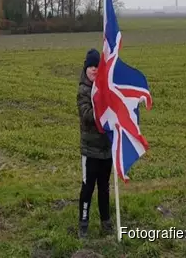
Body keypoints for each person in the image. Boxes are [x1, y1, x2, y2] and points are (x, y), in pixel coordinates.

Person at [76, 48, 113, 238]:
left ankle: (106, 222)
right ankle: (83, 223)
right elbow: (86, 114)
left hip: (106, 148)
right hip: (90, 150)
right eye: (91, 66)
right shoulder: (83, 90)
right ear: (86, 68)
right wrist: (104, 113)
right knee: (88, 187)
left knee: (104, 187)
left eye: (97, 66)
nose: (94, 69)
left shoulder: (107, 87)